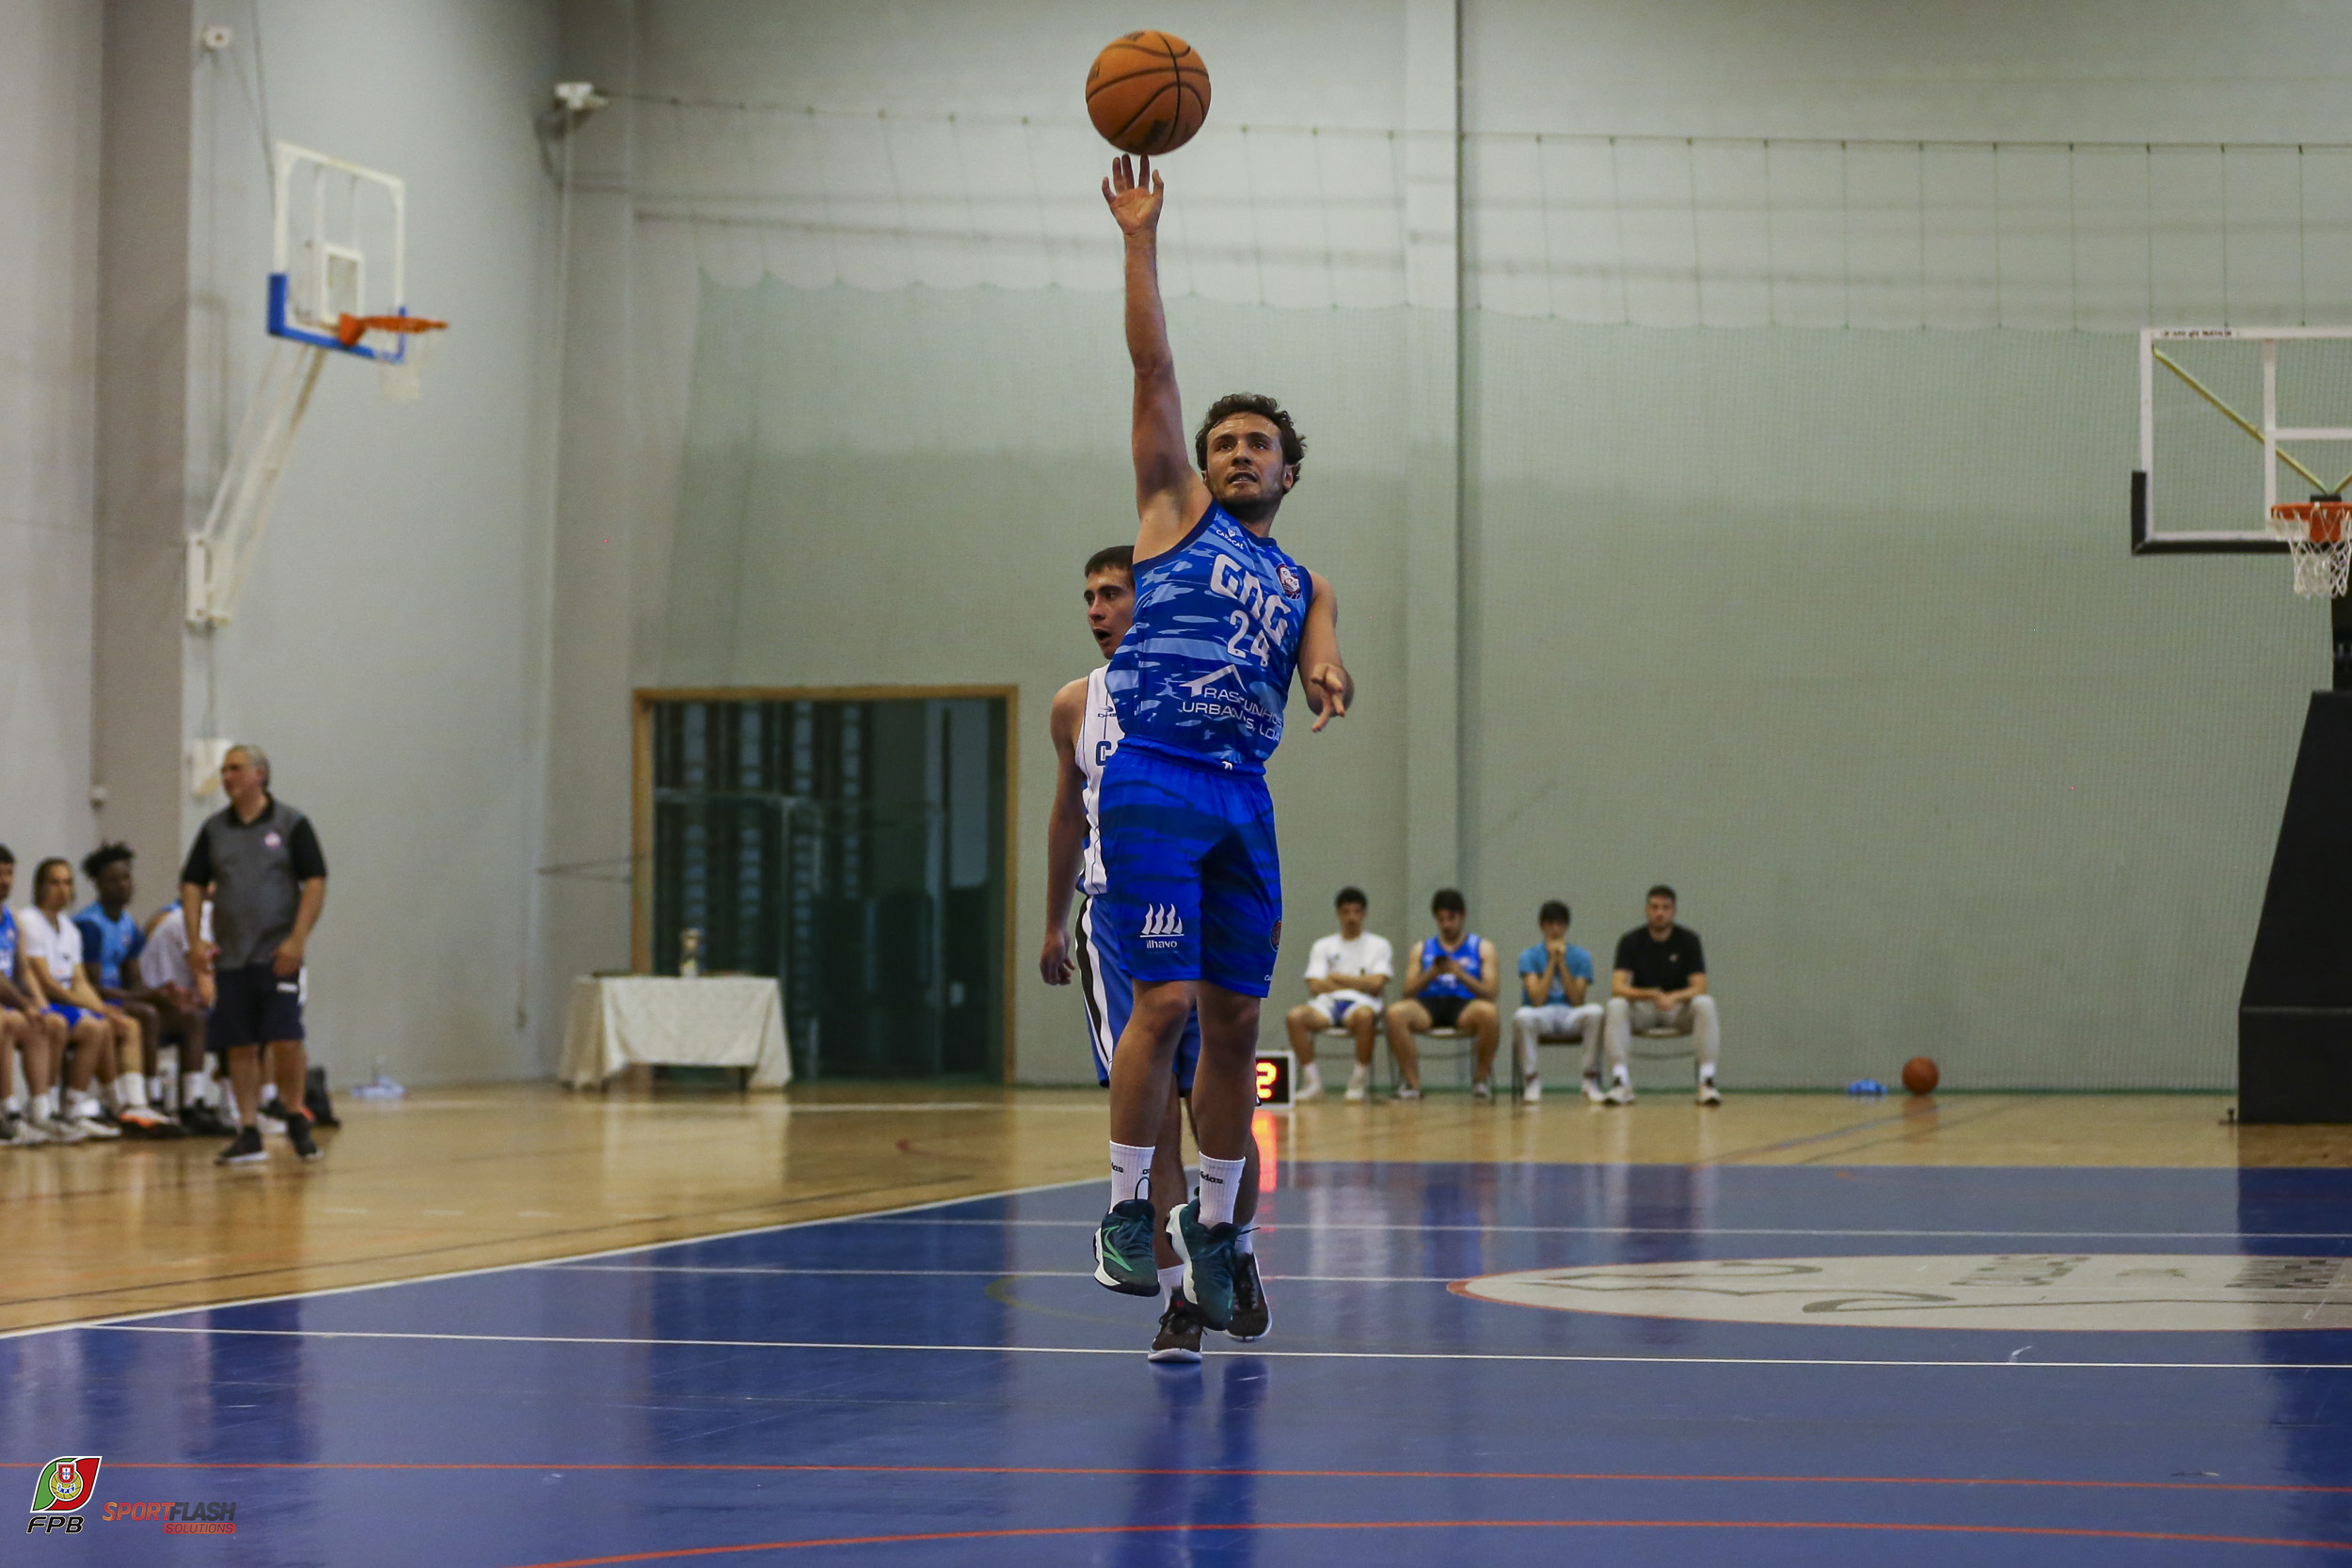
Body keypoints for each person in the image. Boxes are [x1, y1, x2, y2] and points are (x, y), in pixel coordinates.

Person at [1090, 152, 1354, 1337]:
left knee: (1238, 1021)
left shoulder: (1303, 582)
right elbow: (1153, 368)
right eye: (1225, 442)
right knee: (1164, 1000)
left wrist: (1328, 673)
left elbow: (1321, 659)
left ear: (1289, 470)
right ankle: (1122, 1210)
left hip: (1244, 795)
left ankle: (1215, 1228)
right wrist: (1139, 237)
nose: (1240, 452)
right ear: (1199, 465)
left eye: (1259, 444)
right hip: (1156, 777)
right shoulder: (1174, 513)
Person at [1041, 544, 1265, 1362]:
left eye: (1113, 593)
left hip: (1201, 912)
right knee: (1159, 1117)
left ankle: (1235, 1250)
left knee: (1217, 1109)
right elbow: (1068, 815)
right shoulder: (1074, 704)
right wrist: (1053, 920)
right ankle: (1177, 1303)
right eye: (1088, 596)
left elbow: (1239, 798)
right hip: (1114, 916)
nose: (1097, 610)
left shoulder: (1204, 687)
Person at [181, 743, 328, 1164]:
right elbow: (191, 883)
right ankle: (248, 1130)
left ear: (259, 774)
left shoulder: (291, 824)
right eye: (224, 769)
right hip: (232, 956)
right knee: (240, 1044)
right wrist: (195, 940)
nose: (226, 776)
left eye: (235, 768)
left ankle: (295, 1114)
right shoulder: (214, 830)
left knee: (286, 1038)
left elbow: (315, 881)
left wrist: (297, 939)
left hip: (277, 955)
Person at [20, 857, 170, 1135]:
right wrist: (94, 1008)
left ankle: (125, 1105)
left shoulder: (68, 928)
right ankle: (57, 1108)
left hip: (68, 1001)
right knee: (93, 1027)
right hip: (48, 1001)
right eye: (55, 882)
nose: (62, 889)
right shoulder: (30, 920)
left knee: (121, 1023)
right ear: (40, 886)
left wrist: (101, 1008)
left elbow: (79, 981)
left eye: (67, 883)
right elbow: (46, 982)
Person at [76, 843, 183, 1123]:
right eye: (114, 880)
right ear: (98, 884)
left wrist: (159, 992)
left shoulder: (127, 924)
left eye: (126, 877)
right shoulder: (90, 925)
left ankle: (183, 1101)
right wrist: (143, 997)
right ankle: (145, 1096)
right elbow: (91, 986)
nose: (123, 885)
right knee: (146, 1013)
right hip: (94, 1000)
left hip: (119, 997)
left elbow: (134, 979)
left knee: (183, 1012)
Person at [1607, 884, 1722, 1105]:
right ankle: (1621, 1081)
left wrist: (1674, 997)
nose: (1660, 913)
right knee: (1616, 1006)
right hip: (1644, 1009)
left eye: (1665, 908)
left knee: (1705, 1003)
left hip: (1677, 1010)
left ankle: (1706, 1081)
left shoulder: (1688, 940)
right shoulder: (1630, 941)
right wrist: (1650, 994)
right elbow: (1618, 987)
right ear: (1647, 910)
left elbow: (1700, 986)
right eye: (1654, 907)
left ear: (1674, 911)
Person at [1386, 889, 1502, 1100]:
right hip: (1429, 1004)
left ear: (1462, 916)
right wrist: (1431, 974)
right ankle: (1412, 1084)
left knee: (1489, 1013)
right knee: (1395, 1013)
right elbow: (1407, 992)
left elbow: (1491, 992)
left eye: (1451, 918)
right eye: (1441, 920)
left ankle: (1480, 1081)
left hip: (1464, 1004)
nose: (1446, 925)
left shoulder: (1482, 947)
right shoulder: (1422, 948)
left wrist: (1461, 974)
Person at [1284, 887, 1391, 1102]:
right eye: (1346, 912)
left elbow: (1377, 984)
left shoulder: (1379, 945)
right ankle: (1313, 1082)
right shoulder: (1323, 945)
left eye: (1356, 912)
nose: (1351, 917)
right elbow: (1315, 985)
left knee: (1365, 1017)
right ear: (1338, 914)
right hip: (1327, 1005)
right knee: (1295, 1017)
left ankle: (1357, 1082)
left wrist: (1337, 978)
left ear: (1364, 914)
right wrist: (1360, 982)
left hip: (1361, 1004)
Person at [137, 897, 230, 1135]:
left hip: (180, 998)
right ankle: (163, 1101)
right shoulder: (195, 923)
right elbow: (208, 992)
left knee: (228, 1016)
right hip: (152, 995)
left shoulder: (225, 921)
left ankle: (196, 1101)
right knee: (228, 1018)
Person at [0, 847, 70, 1145]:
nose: (5, 880)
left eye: (9, 873)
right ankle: (8, 1113)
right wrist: (24, 1005)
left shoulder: (12, 918)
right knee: (5, 1021)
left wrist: (39, 1007)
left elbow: (23, 971)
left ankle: (42, 1111)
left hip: (8, 1001)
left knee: (47, 1023)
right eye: (0, 873)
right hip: (5, 1006)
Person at [1512, 899, 1609, 1106]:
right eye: (1550, 924)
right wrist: (1551, 963)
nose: (1555, 929)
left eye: (1560, 924)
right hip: (1542, 1015)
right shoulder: (1529, 956)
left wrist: (1562, 963)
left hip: (1569, 1014)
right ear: (1542, 926)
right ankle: (1532, 1081)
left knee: (1596, 1012)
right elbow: (1537, 999)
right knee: (1522, 1016)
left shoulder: (1581, 956)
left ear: (1566, 927)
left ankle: (1590, 1080)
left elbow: (1577, 1000)